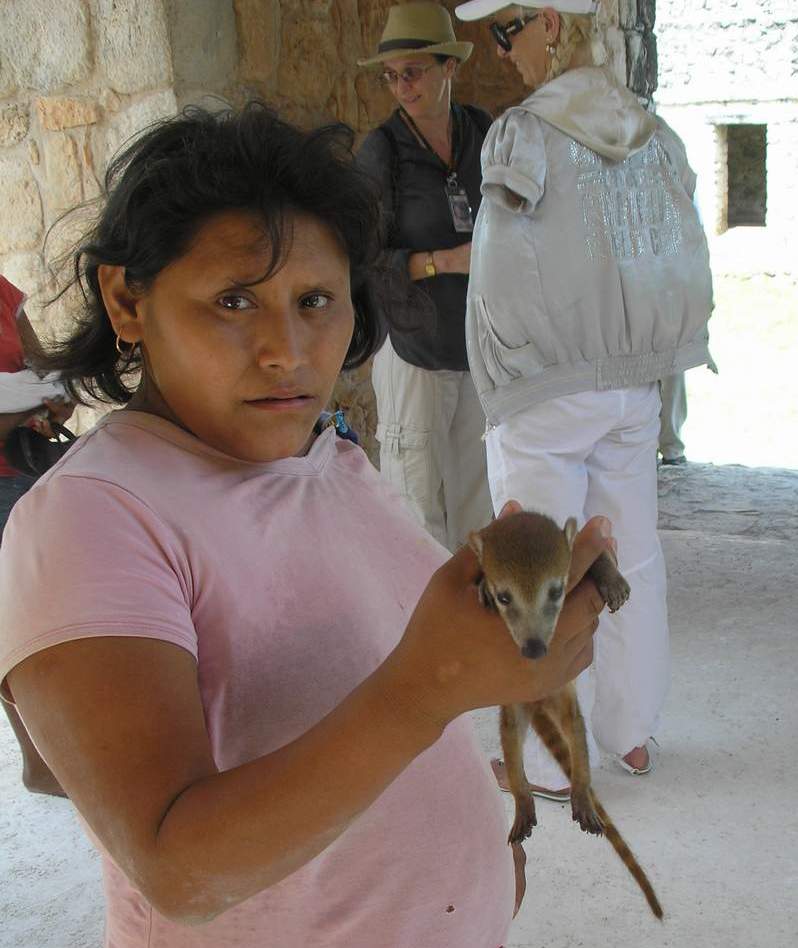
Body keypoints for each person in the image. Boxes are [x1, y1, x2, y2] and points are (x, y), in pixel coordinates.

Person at [0, 102, 613, 947]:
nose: (286, 350)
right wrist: (434, 688)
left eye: (316, 299)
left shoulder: (323, 458)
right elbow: (176, 867)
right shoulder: (94, 518)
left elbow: (349, 694)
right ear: (127, 300)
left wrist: (470, 823)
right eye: (233, 301)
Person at [454, 2, 714, 793]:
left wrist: (500, 375)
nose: (501, 52)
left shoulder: (523, 134)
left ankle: (553, 761)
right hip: (630, 383)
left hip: (547, 389)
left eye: (506, 30)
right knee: (631, 554)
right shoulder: (651, 135)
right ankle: (631, 733)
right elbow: (679, 246)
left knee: (539, 568)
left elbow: (498, 272)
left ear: (550, 23)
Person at [357, 2, 493, 551]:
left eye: (412, 72)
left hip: (479, 347)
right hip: (414, 348)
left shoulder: (482, 132)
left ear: (448, 67)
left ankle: (475, 606)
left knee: (478, 508)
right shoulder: (382, 151)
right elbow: (363, 259)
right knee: (415, 509)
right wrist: (444, 261)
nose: (401, 87)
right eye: (391, 77)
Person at [0, 274, 72, 797]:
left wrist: (50, 399)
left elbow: (46, 369)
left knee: (50, 612)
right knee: (13, 623)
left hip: (25, 466)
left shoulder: (3, 291)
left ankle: (58, 753)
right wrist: (29, 401)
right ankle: (40, 762)